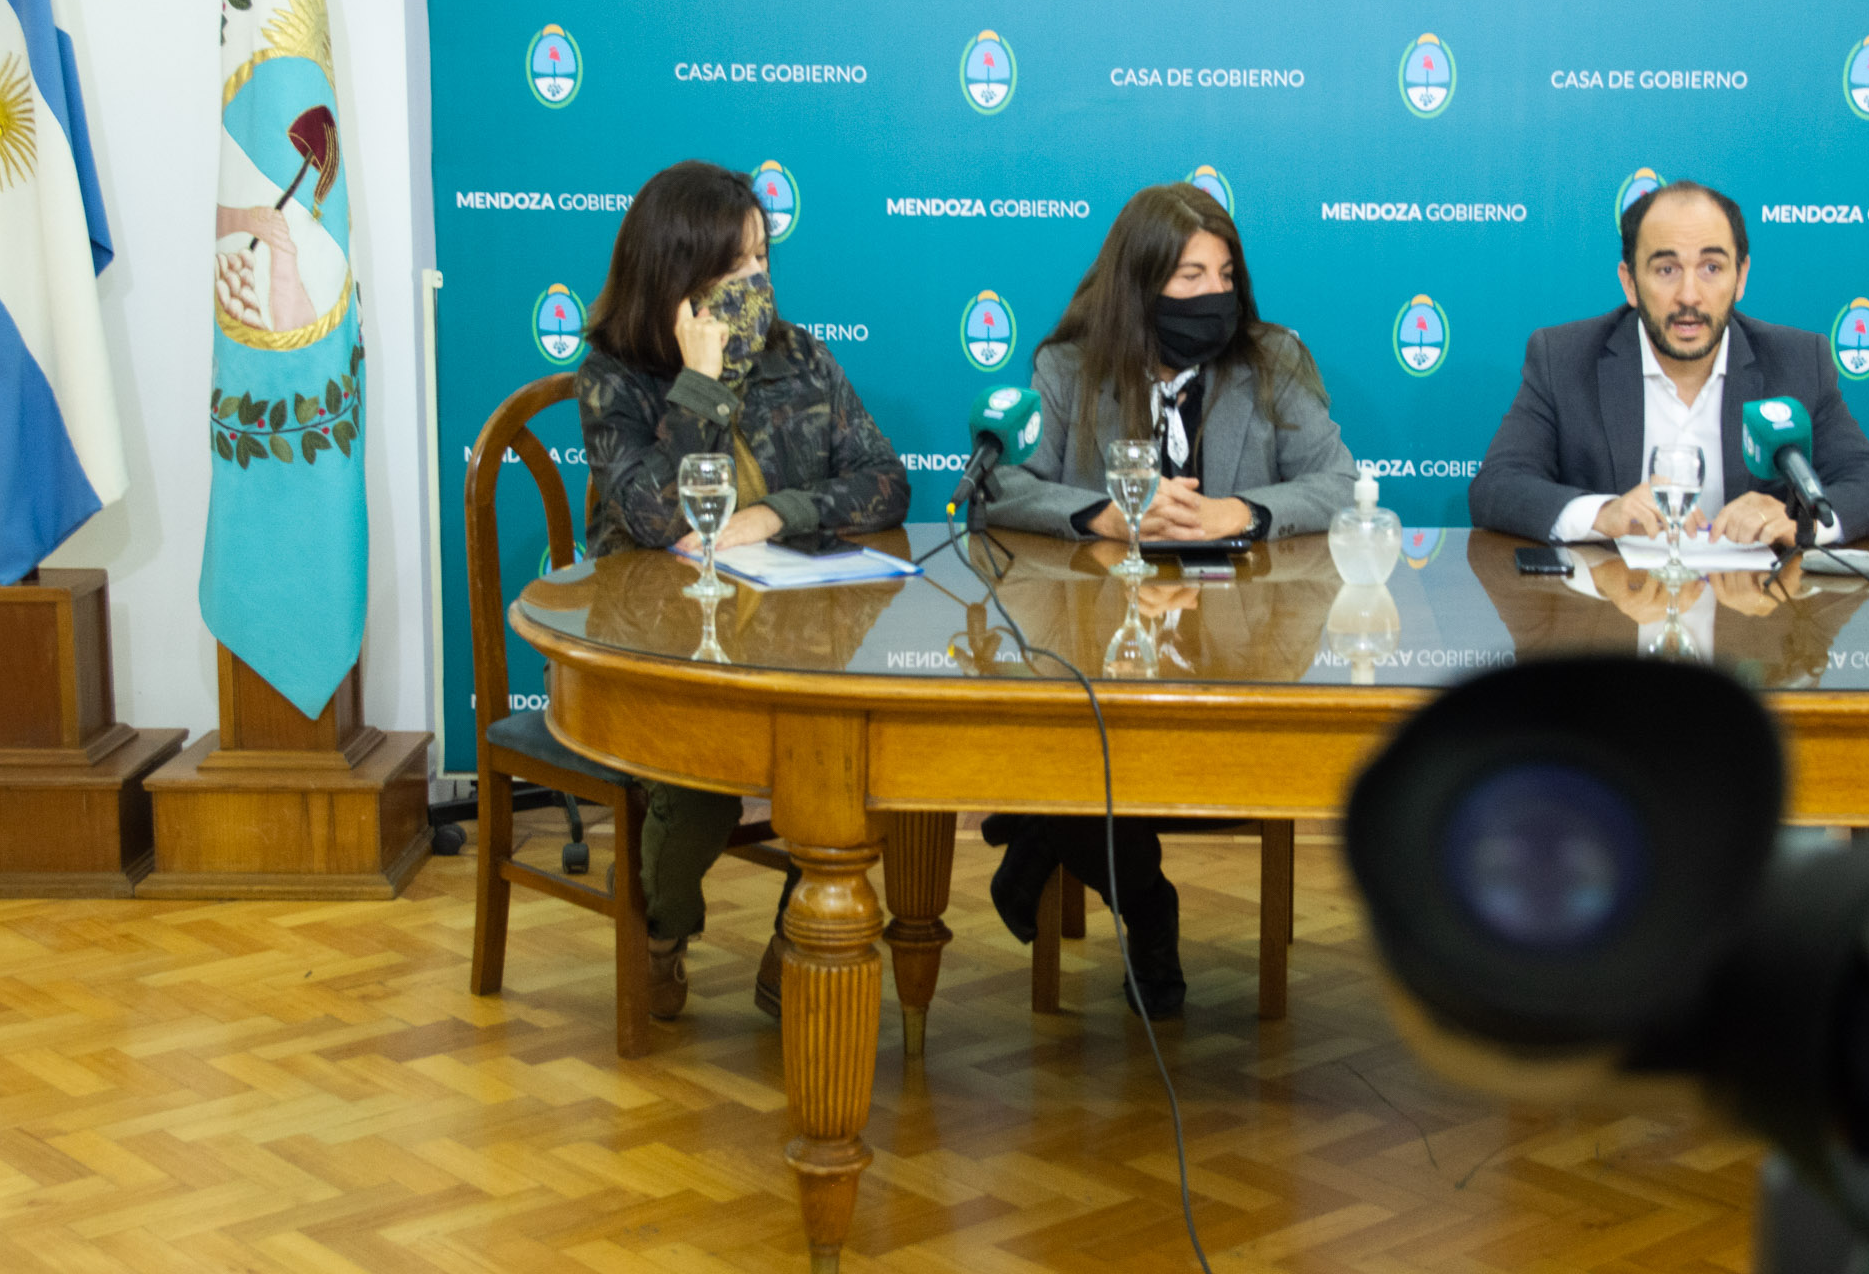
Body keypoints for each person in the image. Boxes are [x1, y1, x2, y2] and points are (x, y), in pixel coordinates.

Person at [982, 182, 1358, 1018]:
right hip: (1101, 648)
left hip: (1237, 658)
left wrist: (1242, 512)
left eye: (1225, 276)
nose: (1213, 295)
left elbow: (1340, 482)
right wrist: (1101, 516)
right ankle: (1148, 906)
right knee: (1068, 738)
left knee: (1070, 774)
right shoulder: (1069, 367)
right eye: (1190, 277)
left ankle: (1037, 833)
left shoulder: (1271, 360)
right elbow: (1001, 485)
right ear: (1141, 281)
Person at [576, 159, 909, 1022]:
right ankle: (660, 934)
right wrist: (703, 383)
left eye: (762, 258)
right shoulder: (615, 376)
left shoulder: (800, 356)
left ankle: (799, 936)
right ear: (676, 276)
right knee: (695, 787)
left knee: (850, 757)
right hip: (660, 645)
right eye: (734, 266)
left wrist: (774, 516)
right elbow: (655, 517)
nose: (757, 281)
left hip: (789, 635)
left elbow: (885, 481)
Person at [1470, 179, 1869, 549]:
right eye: (1666, 270)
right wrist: (1604, 513)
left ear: (1741, 277)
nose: (1690, 296)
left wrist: (1799, 523)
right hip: (1613, 610)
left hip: (1753, 613)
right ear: (1630, 282)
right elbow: (1497, 486)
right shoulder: (1563, 359)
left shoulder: (1799, 362)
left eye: (1711, 267)